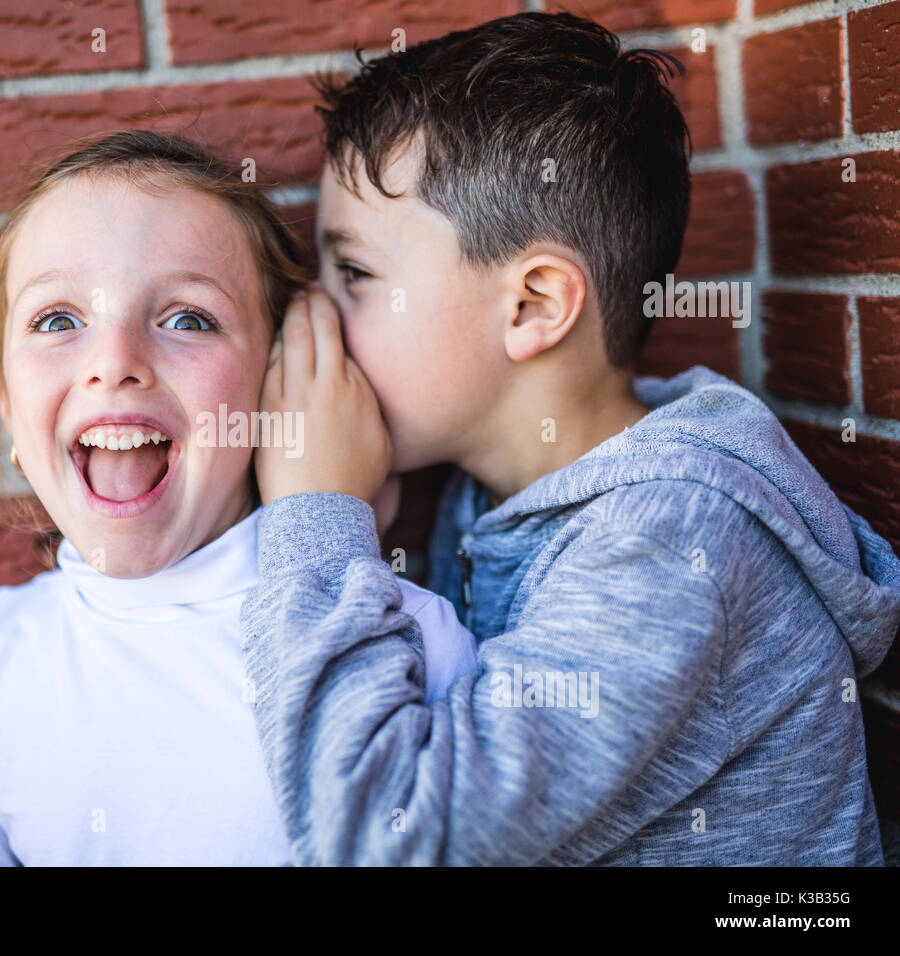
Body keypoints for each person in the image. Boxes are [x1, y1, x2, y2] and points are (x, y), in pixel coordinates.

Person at [242, 12, 900, 865]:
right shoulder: (496, 493)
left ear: (535, 307)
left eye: (356, 273)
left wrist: (318, 520)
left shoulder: (665, 543)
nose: (316, 312)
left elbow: (385, 836)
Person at [0, 130, 476, 865]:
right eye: (58, 320)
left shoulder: (410, 642)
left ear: (280, 386)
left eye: (187, 319)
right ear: (8, 404)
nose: (114, 363)